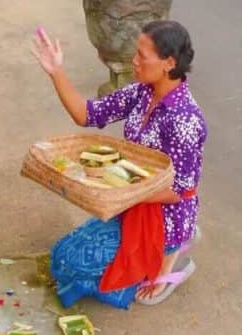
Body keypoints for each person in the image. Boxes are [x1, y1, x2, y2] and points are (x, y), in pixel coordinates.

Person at [31, 20, 206, 308]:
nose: (134, 61)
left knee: (69, 263)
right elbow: (87, 114)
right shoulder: (142, 92)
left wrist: (116, 191)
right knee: (62, 256)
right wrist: (56, 71)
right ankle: (165, 250)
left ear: (168, 63)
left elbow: (179, 189)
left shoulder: (185, 120)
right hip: (130, 202)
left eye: (142, 56)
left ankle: (171, 257)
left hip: (164, 215)